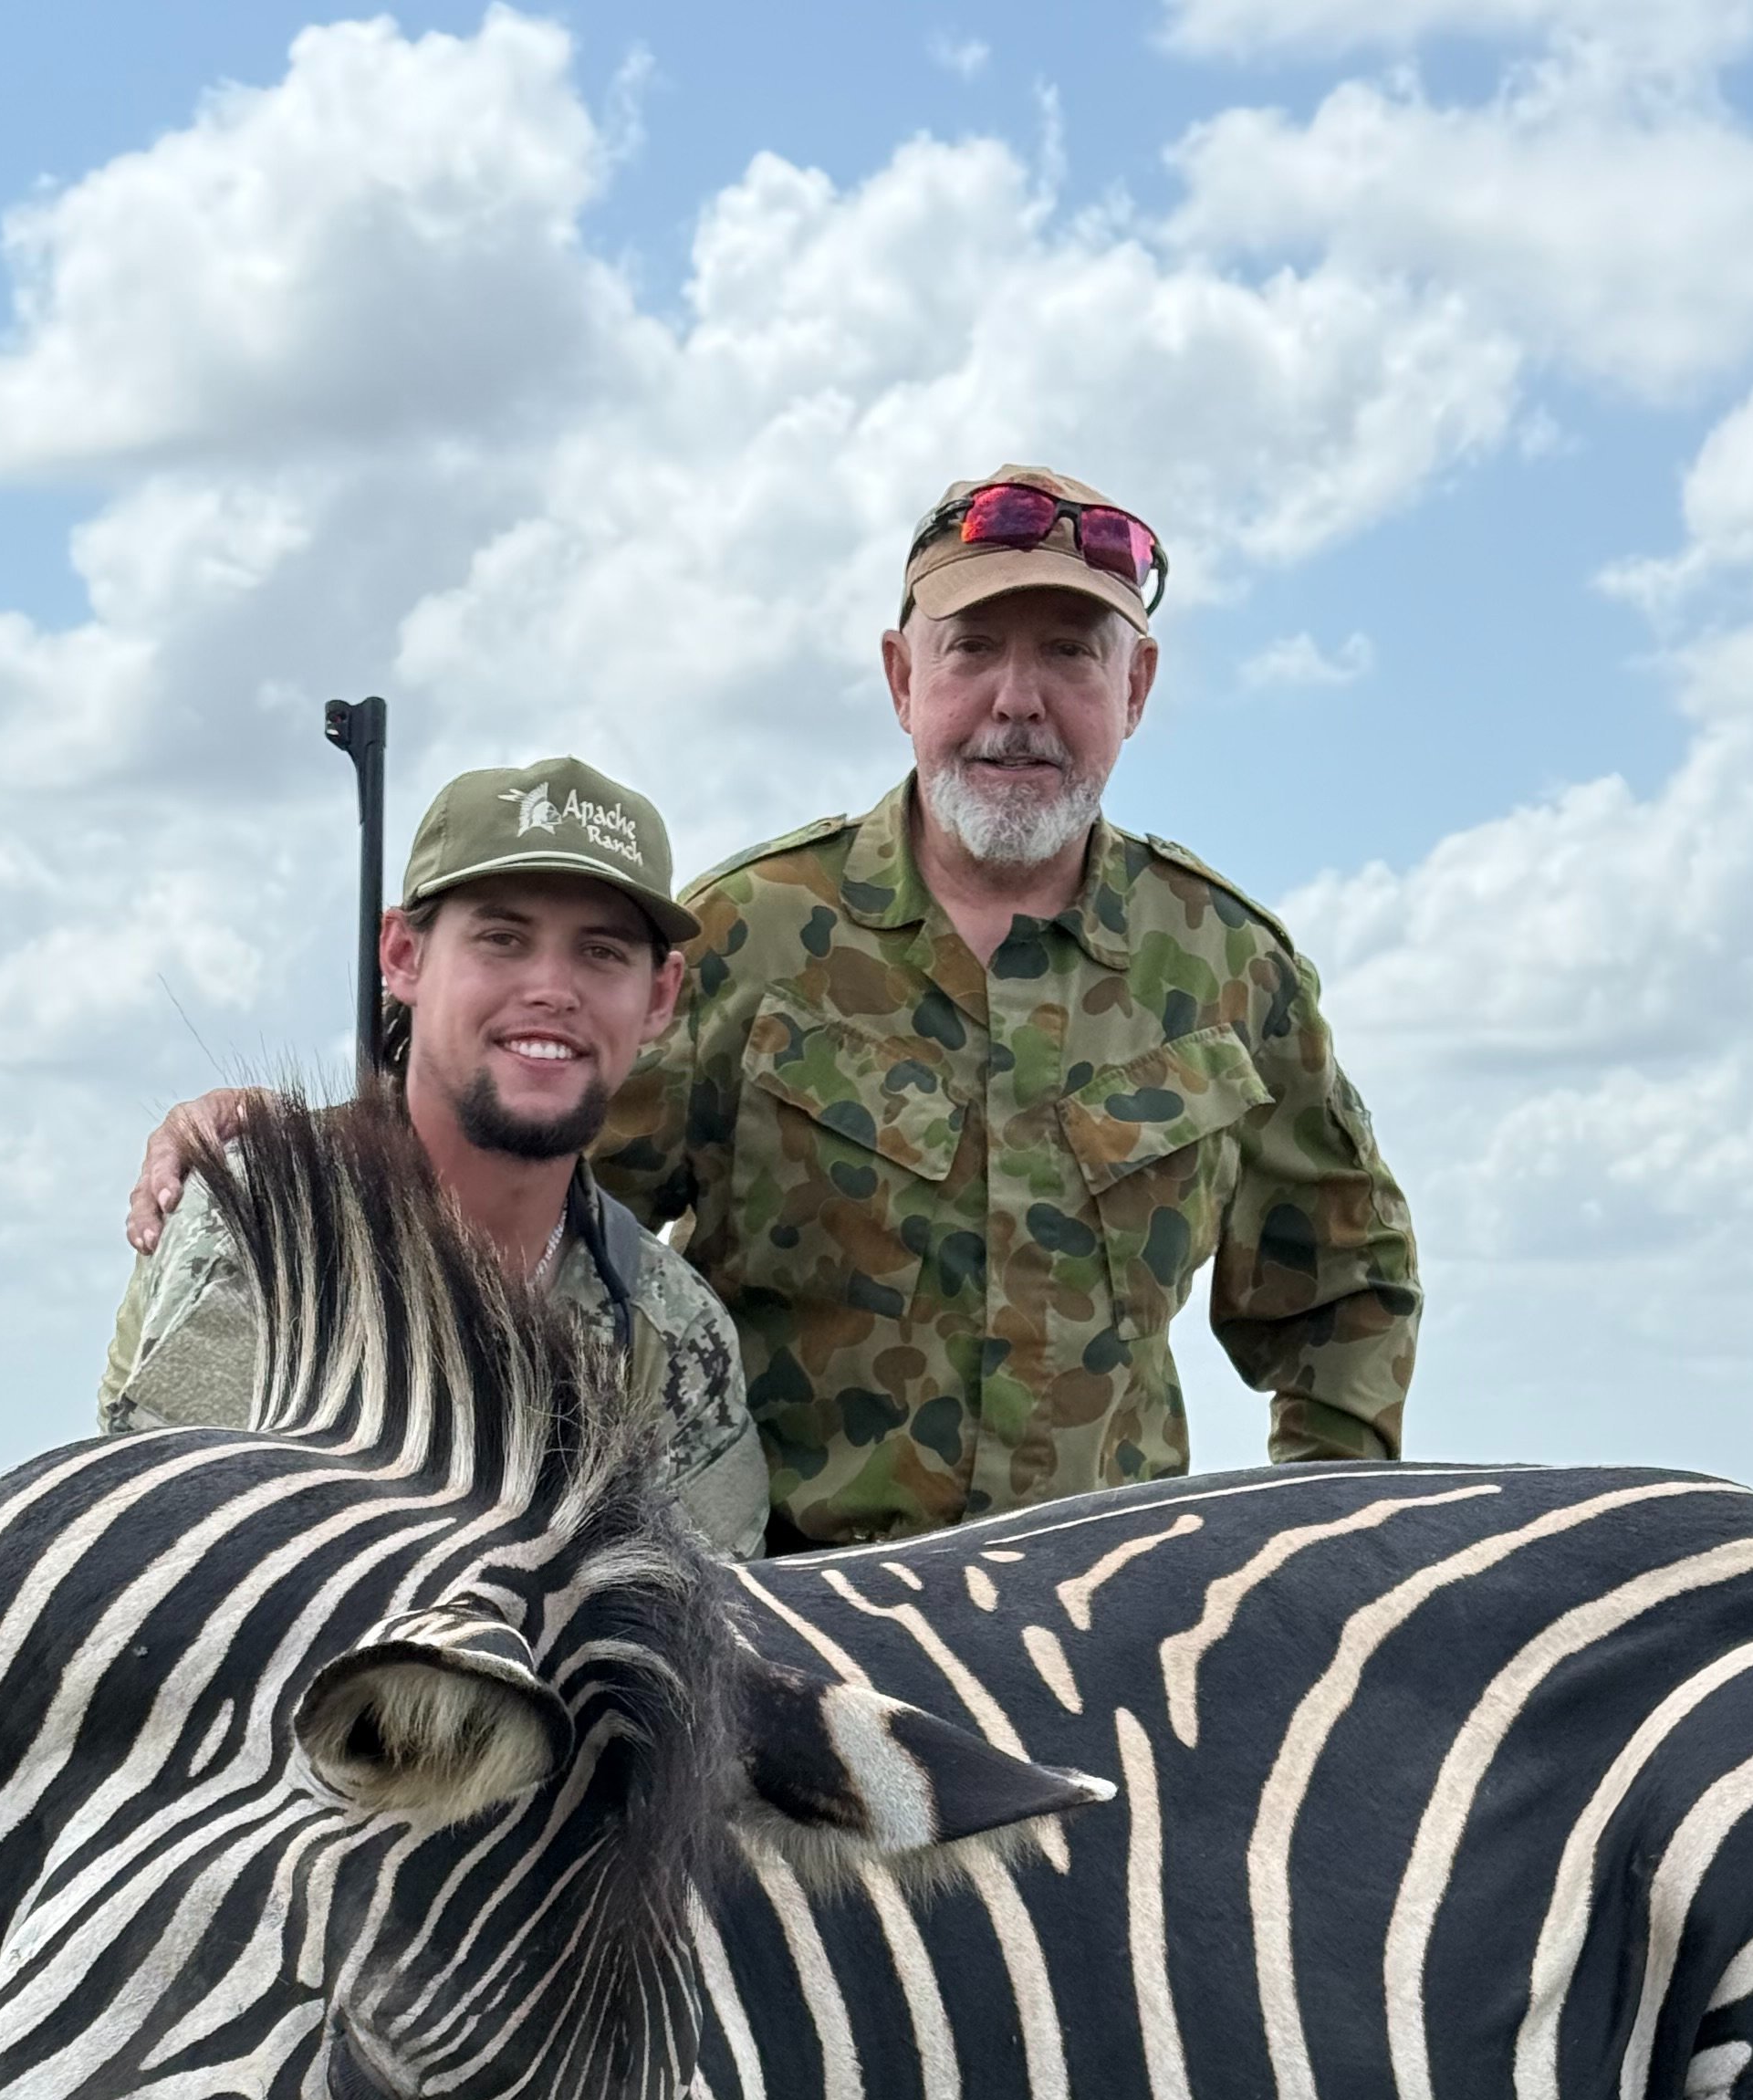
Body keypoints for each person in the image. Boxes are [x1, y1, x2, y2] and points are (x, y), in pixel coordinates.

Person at [121, 468, 1417, 1552]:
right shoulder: (750, 934)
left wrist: (1308, 1556)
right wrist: (288, 1145)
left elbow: (1346, 1287)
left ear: (1134, 690)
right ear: (904, 677)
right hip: (786, 1627)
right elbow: (515, 1159)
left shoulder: (1229, 966)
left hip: (1099, 1643)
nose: (1018, 703)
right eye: (973, 651)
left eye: (1071, 655)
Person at [99, 757, 769, 1560]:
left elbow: (713, 1627)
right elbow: (162, 1560)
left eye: (602, 952)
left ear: (660, 997)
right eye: (502, 939)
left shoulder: (671, 1327)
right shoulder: (268, 1224)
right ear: (402, 957)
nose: (553, 988)